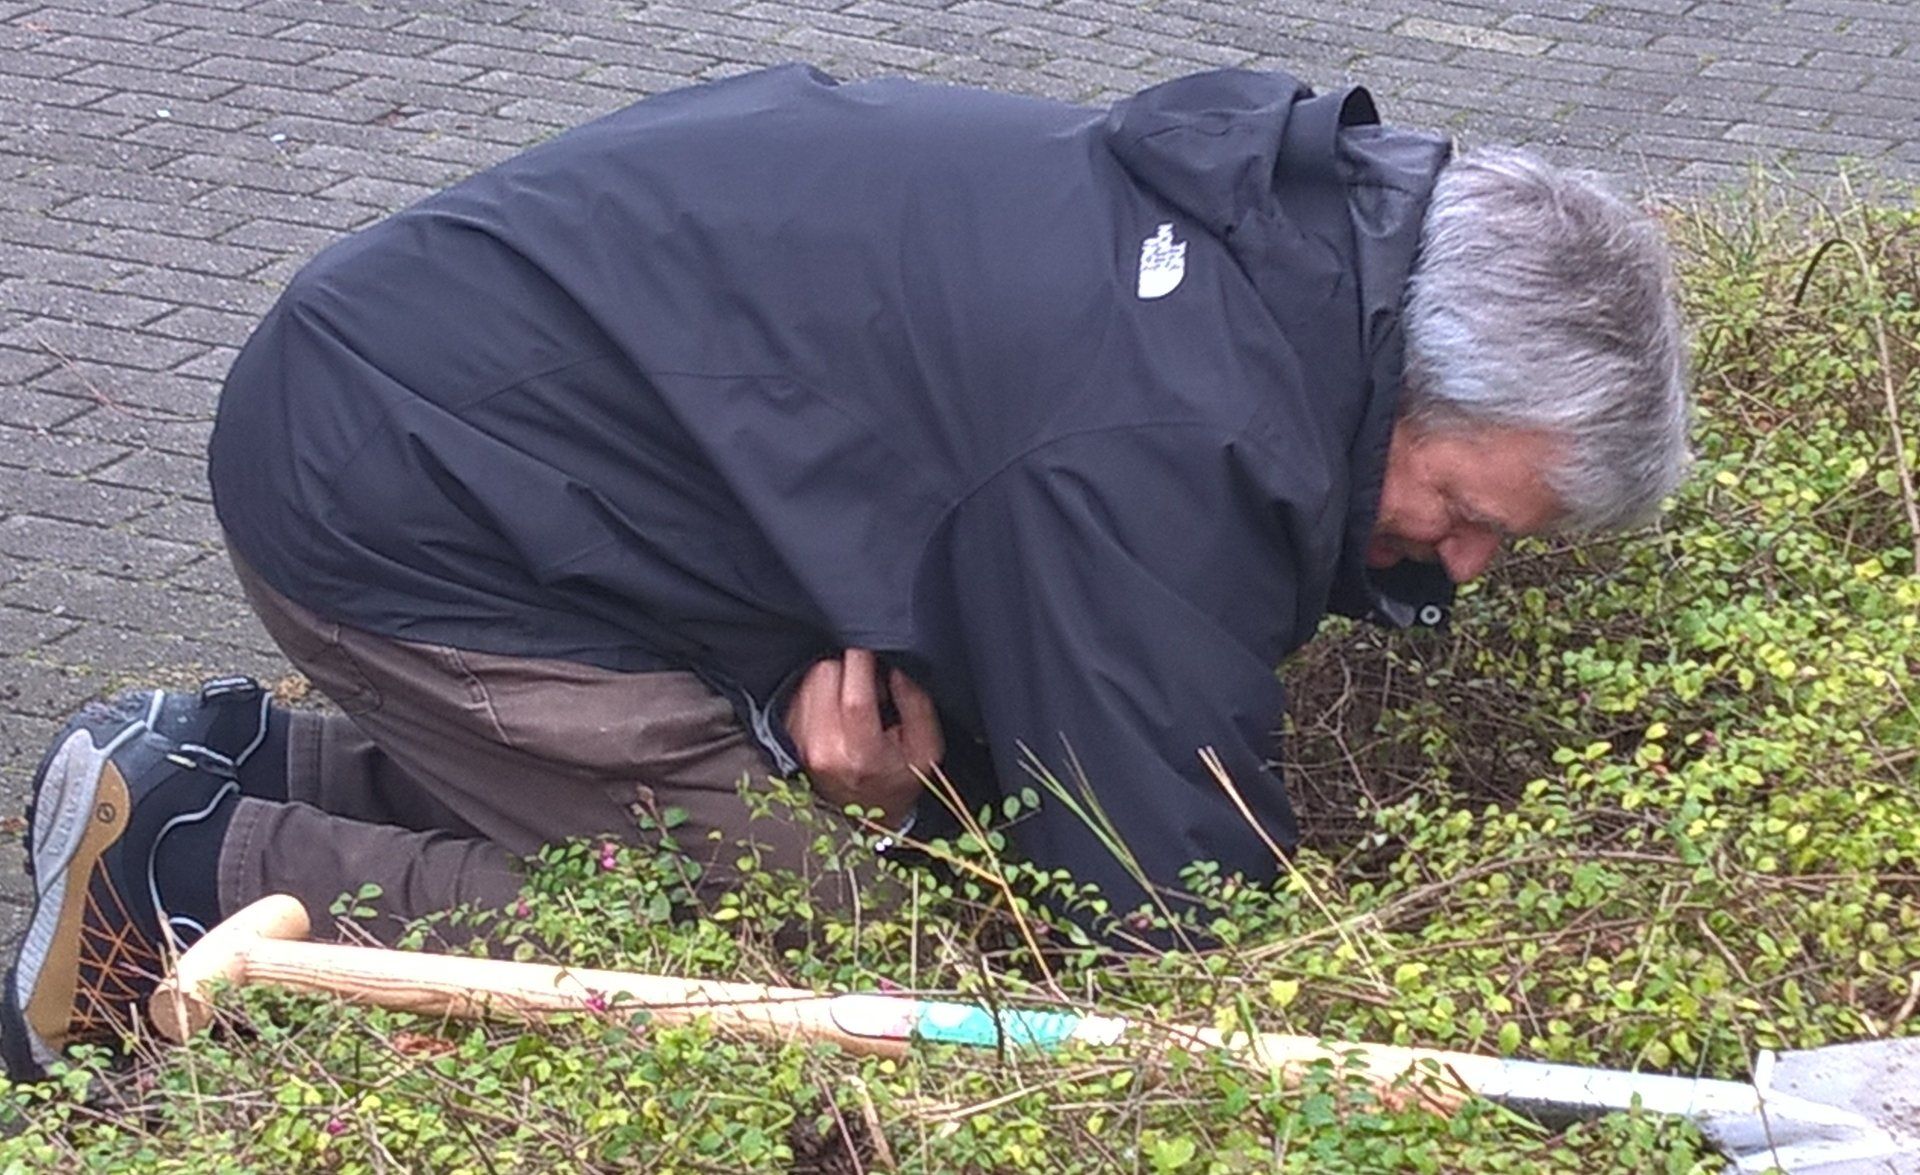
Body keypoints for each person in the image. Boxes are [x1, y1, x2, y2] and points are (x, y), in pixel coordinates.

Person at [2, 64, 1689, 1081]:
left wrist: (888, 760)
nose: (1460, 566)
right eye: (1471, 508)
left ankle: (233, 759)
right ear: (1418, 378)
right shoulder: (1172, 437)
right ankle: (193, 872)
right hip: (419, 490)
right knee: (817, 948)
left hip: (463, 414)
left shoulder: (1280, 251)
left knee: (849, 838)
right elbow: (1168, 922)